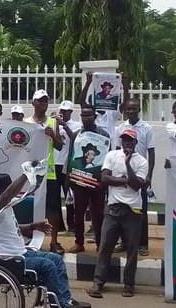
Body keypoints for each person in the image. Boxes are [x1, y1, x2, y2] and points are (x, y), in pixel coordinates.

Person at [0, 171, 92, 308]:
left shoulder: (4, 207)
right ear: (4, 192)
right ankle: (58, 305)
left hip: (21, 254)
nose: (14, 194)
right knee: (48, 266)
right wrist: (25, 174)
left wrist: (33, 226)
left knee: (56, 259)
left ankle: (65, 300)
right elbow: (7, 195)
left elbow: (12, 228)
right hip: (9, 260)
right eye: (11, 190)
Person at [87, 128, 148, 299]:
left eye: (130, 140)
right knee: (105, 247)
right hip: (113, 208)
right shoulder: (112, 155)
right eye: (124, 140)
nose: (127, 143)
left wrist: (128, 164)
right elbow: (105, 178)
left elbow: (138, 185)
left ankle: (129, 285)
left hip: (133, 210)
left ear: (135, 142)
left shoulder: (141, 161)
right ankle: (98, 283)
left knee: (132, 249)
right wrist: (126, 180)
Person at [24, 89, 66, 253]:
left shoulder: (53, 122)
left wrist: (53, 136)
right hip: (30, 172)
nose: (43, 104)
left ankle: (54, 241)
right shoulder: (26, 122)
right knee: (30, 205)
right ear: (33, 103)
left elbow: (60, 146)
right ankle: (30, 239)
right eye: (40, 101)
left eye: (45, 101)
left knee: (53, 208)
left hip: (49, 172)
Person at [68, 105, 110, 253]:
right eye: (83, 116)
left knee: (98, 215)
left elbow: (108, 159)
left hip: (97, 183)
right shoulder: (76, 135)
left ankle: (100, 244)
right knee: (78, 213)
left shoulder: (104, 135)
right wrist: (70, 176)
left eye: (89, 115)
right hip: (79, 181)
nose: (86, 118)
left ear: (95, 117)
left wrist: (103, 181)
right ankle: (79, 243)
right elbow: (71, 155)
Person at [115, 98, 154, 256]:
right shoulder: (121, 128)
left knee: (141, 211)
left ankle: (142, 244)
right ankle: (124, 242)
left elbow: (151, 152)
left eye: (134, 109)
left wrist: (149, 175)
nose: (130, 111)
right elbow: (117, 150)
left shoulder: (147, 128)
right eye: (128, 109)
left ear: (139, 109)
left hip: (140, 172)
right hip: (122, 173)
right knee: (123, 208)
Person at [56, 100, 82, 234]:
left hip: (68, 165)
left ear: (71, 112)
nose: (63, 113)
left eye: (66, 111)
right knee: (55, 196)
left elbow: (75, 139)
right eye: (62, 111)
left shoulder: (77, 125)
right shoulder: (54, 123)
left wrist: (64, 125)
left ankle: (72, 226)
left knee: (69, 196)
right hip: (54, 164)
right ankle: (59, 225)